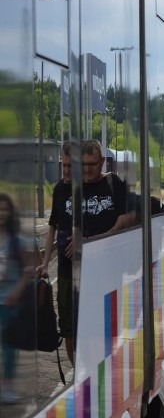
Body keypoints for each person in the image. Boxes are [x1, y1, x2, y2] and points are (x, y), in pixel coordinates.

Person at [37, 141, 75, 363]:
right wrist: (45, 262)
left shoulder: (86, 188)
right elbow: (52, 227)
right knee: (67, 327)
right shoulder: (59, 189)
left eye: (71, 166)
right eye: (64, 165)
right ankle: (77, 373)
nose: (67, 170)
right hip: (65, 269)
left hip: (87, 269)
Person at [0, 194, 39, 404]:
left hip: (10, 301)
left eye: (5, 209)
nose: (1, 214)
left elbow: (27, 269)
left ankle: (7, 387)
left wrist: (17, 291)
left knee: (9, 347)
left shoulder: (17, 240)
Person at [76, 139, 135, 240]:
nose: (87, 169)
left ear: (102, 161)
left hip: (110, 250)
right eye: (83, 164)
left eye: (92, 164)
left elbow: (127, 216)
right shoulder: (75, 188)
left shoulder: (113, 183)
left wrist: (102, 239)